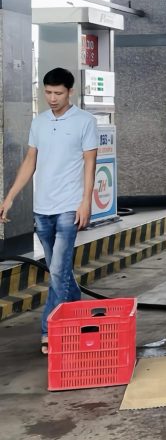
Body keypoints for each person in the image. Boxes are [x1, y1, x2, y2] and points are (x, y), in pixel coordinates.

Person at [0, 68, 99, 354]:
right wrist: (9, 198)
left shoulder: (85, 121)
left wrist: (86, 201)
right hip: (42, 209)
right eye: (48, 92)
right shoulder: (39, 122)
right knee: (60, 270)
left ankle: (49, 331)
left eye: (58, 93)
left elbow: (90, 164)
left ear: (70, 92)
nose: (52, 98)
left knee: (57, 270)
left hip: (69, 206)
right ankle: (79, 314)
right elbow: (30, 161)